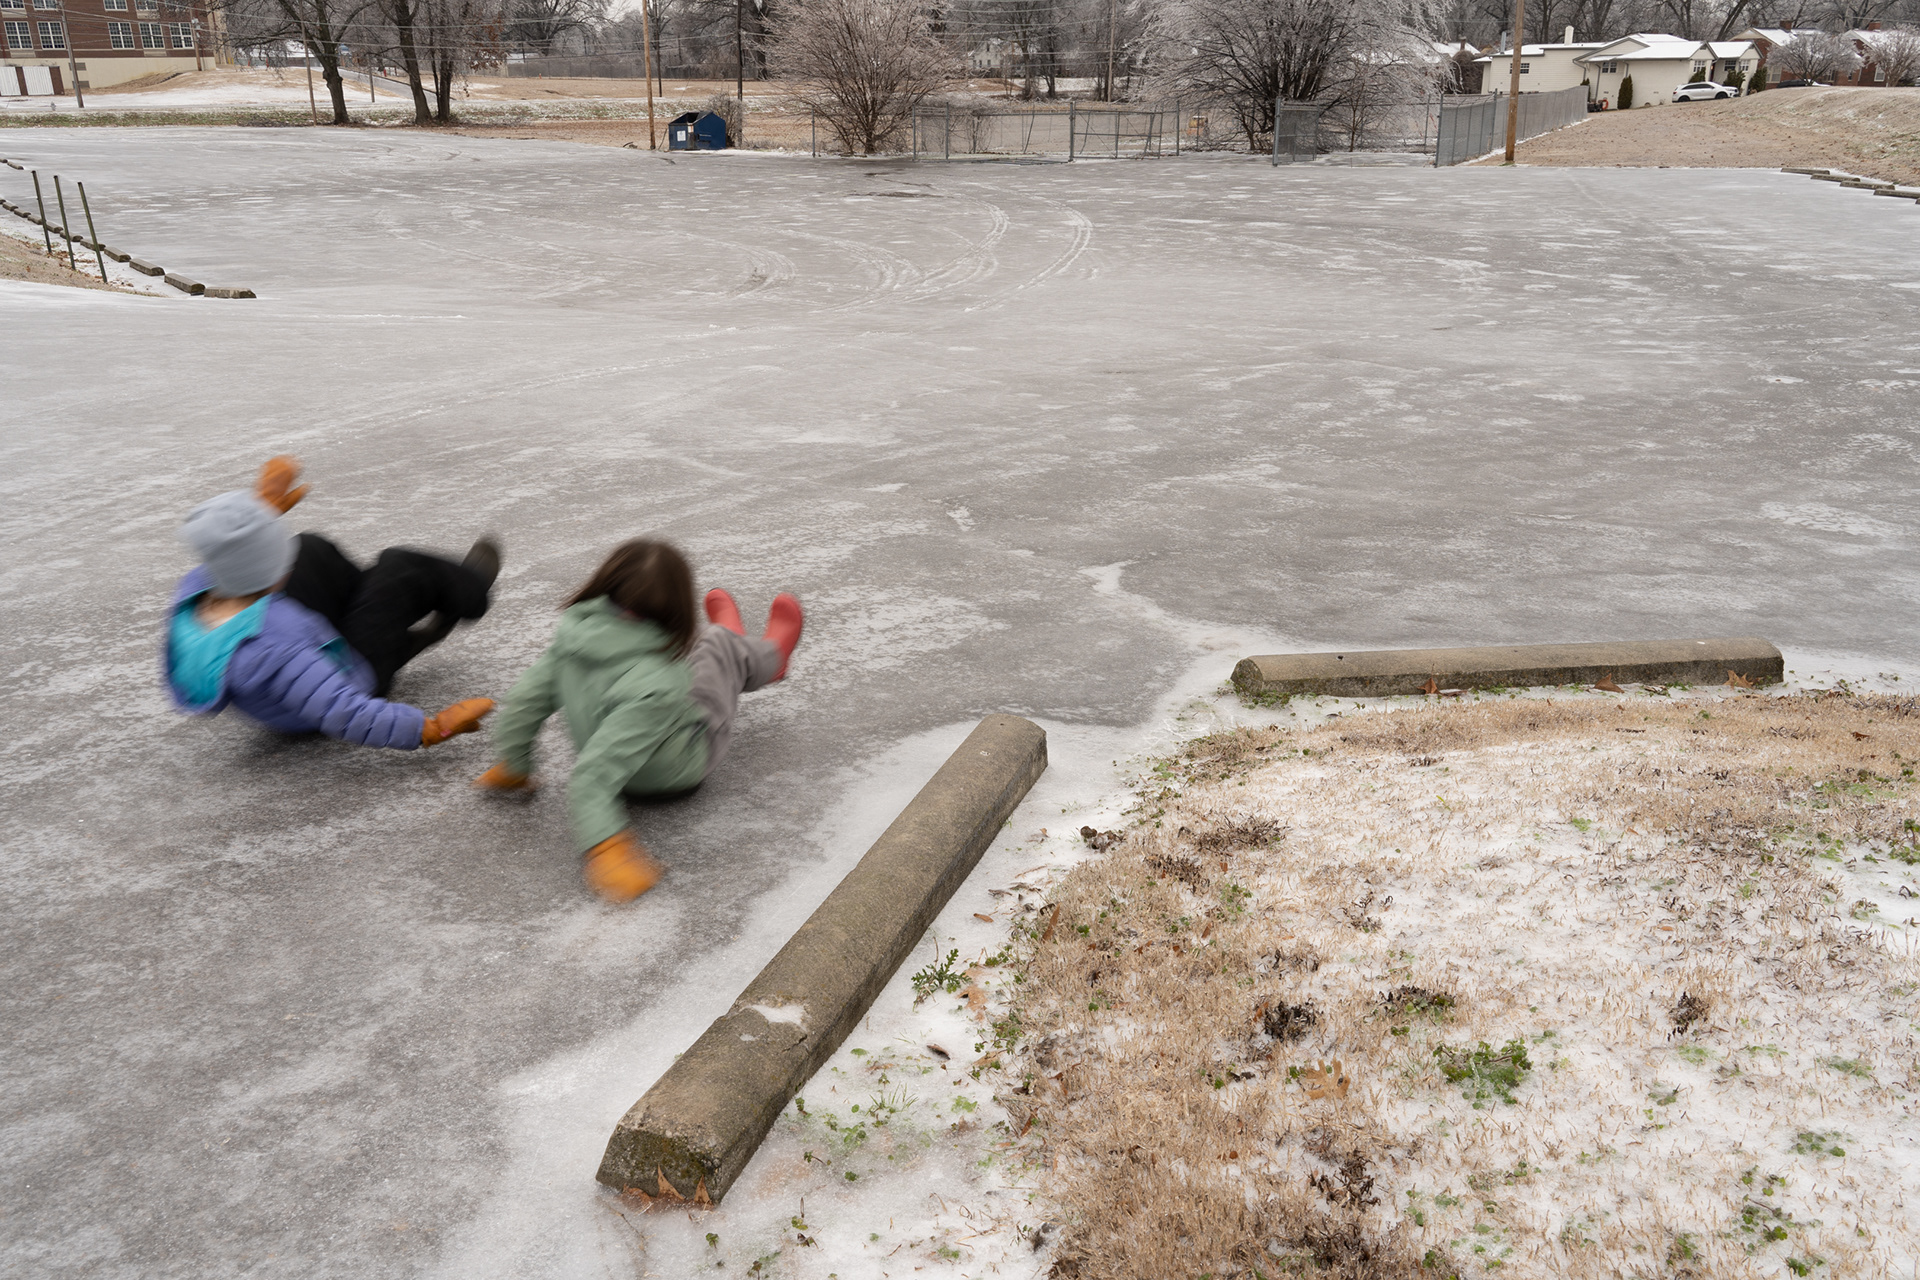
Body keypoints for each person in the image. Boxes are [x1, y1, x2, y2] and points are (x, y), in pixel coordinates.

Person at [475, 539, 803, 903]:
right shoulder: (660, 682)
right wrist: (607, 847)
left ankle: (736, 641)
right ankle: (771, 656)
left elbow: (524, 702)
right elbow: (594, 775)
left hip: (619, 754)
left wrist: (514, 766)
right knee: (713, 646)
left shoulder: (571, 640)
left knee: (694, 647)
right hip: (676, 769)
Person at [163, 457, 498, 750]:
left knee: (309, 548)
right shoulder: (276, 649)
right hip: (347, 681)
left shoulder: (199, 587)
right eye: (279, 560)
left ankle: (386, 629)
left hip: (292, 670)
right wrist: (431, 729)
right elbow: (345, 712)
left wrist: (257, 518)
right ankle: (469, 591)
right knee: (399, 570)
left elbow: (229, 553)